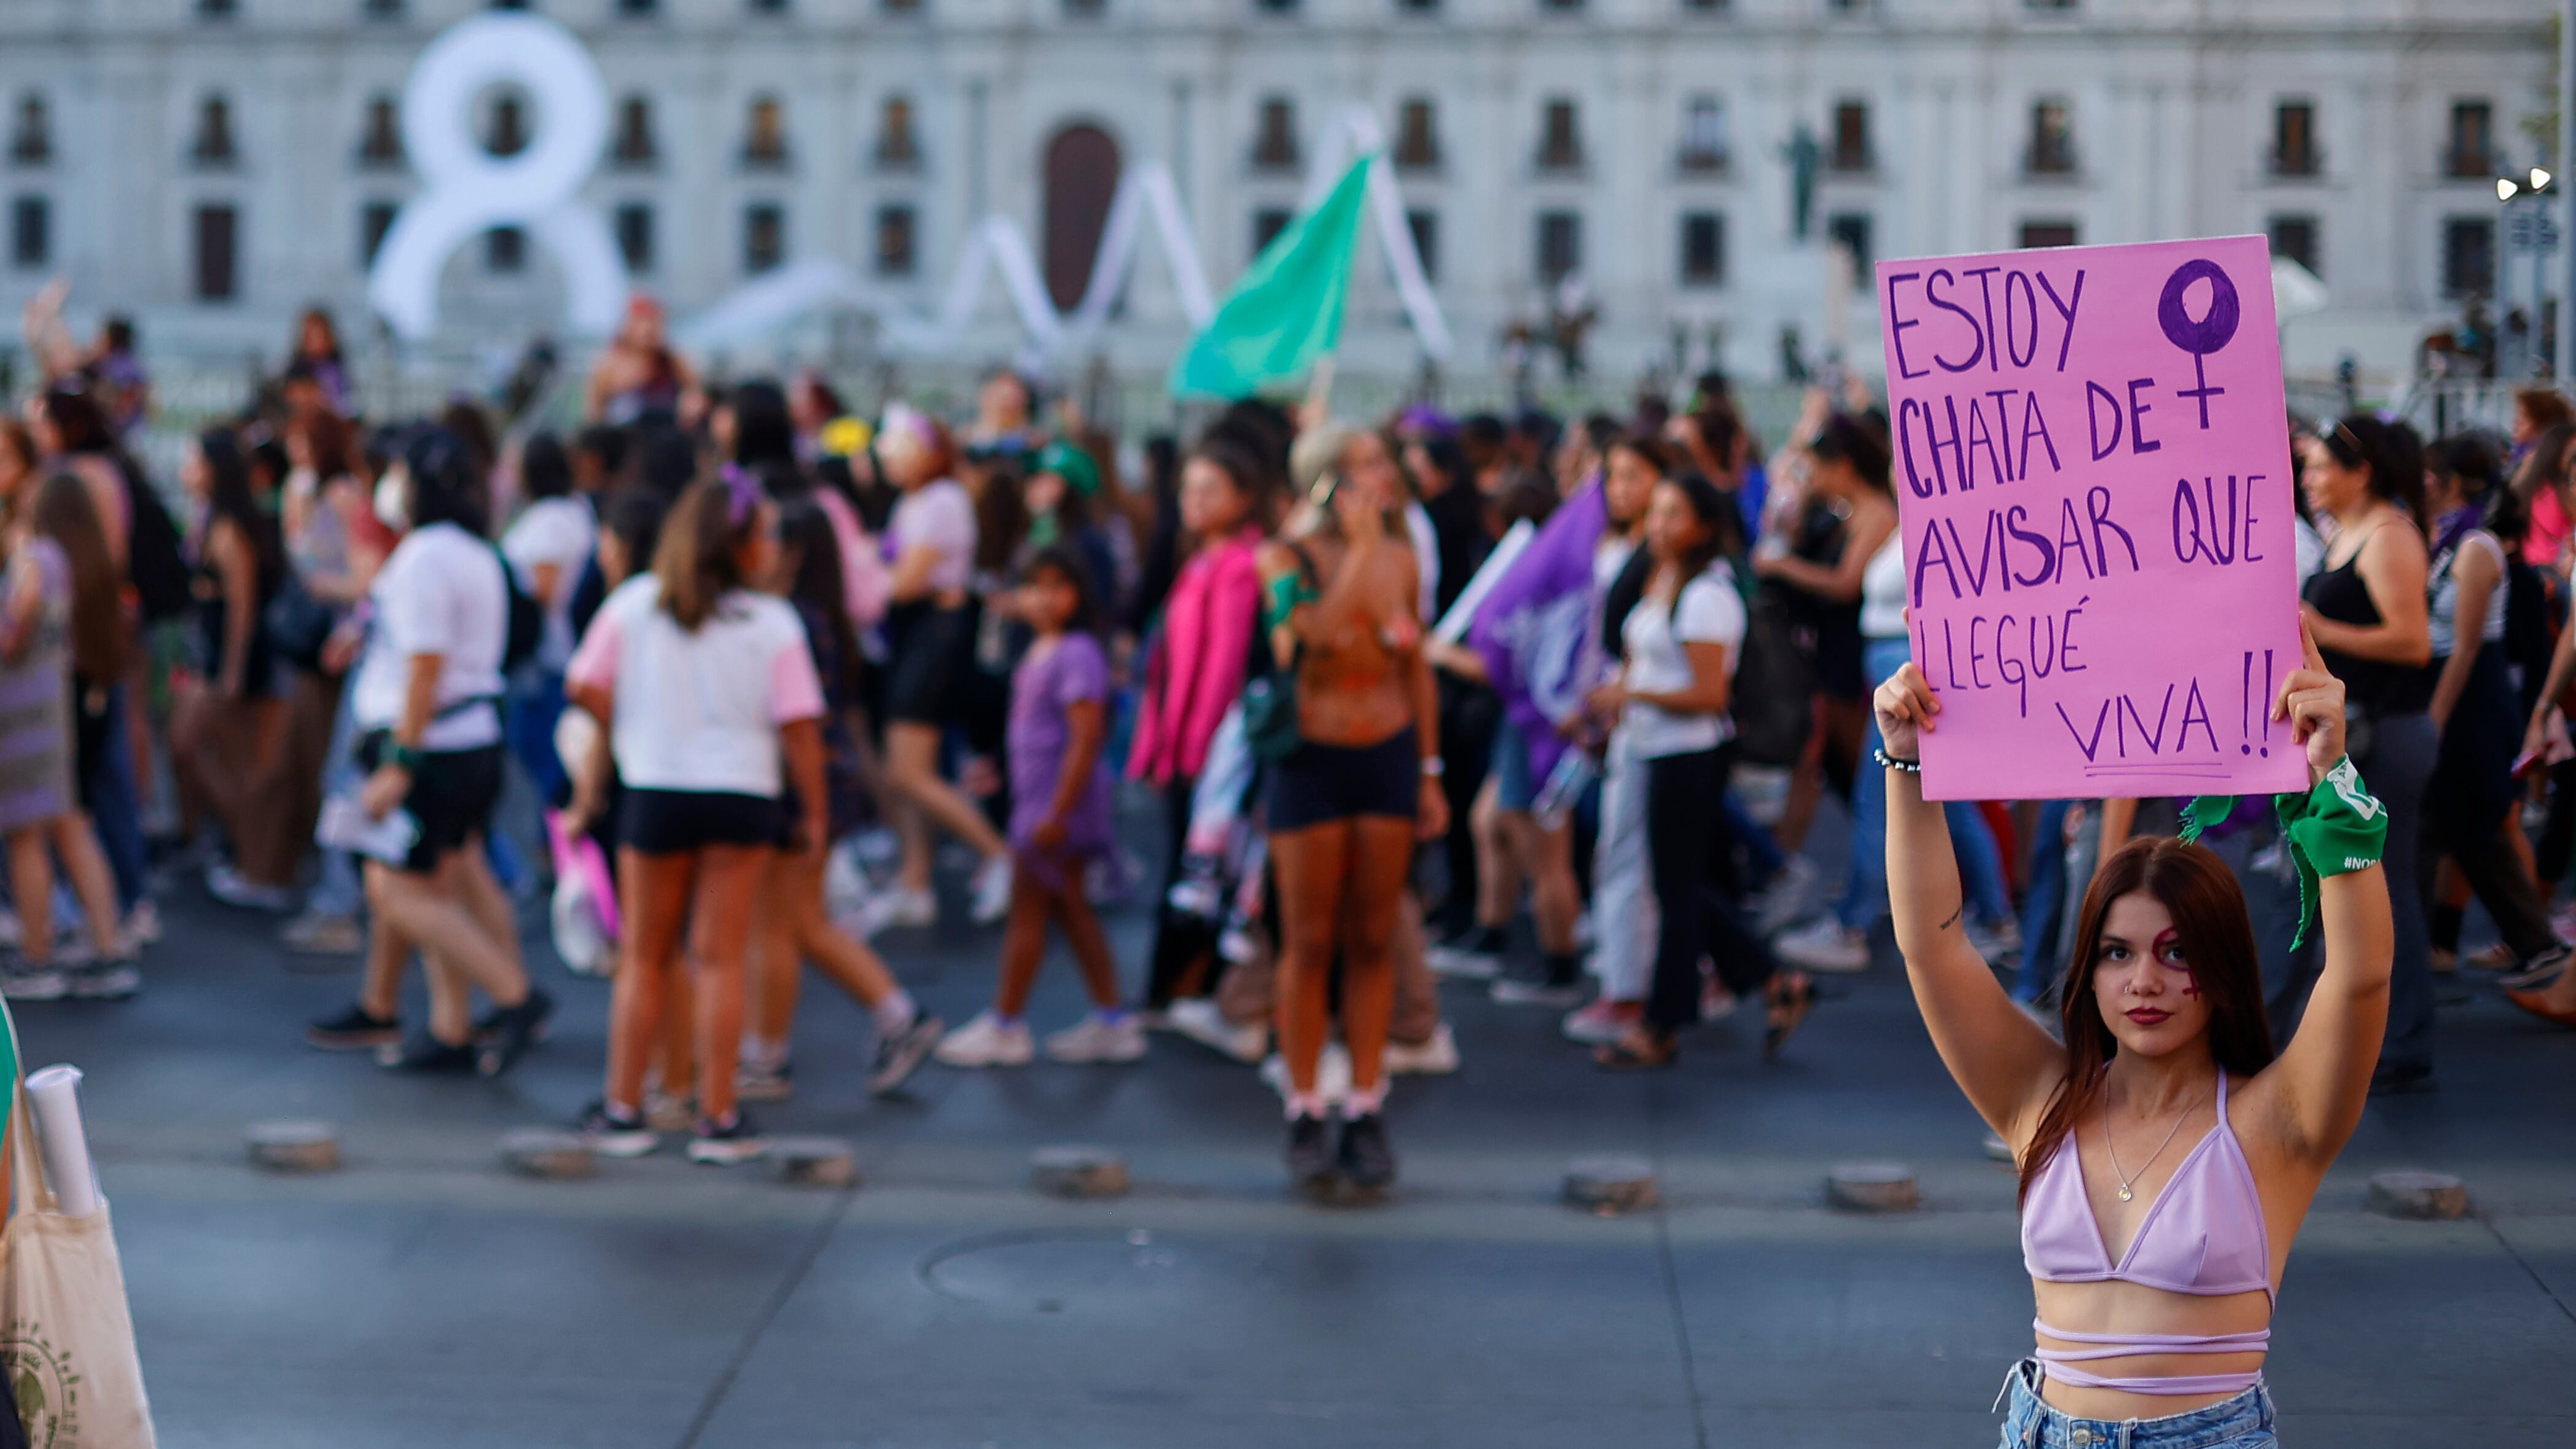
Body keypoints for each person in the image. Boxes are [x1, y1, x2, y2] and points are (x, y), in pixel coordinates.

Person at [1877, 623, 2392, 1445]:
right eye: (2116, 952)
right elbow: (1931, 947)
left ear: (2222, 965)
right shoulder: (2039, 1101)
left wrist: (2331, 771)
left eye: (2176, 950)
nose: (2143, 980)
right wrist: (1905, 763)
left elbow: (2359, 975)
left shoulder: (2276, 1123)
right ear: (2087, 969)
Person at [566, 473, 824, 1162]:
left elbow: (583, 684)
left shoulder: (635, 605)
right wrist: (818, 816)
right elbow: (800, 730)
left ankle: (625, 1109)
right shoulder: (773, 622)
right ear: (740, 546)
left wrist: (632, 727)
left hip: (655, 788)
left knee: (645, 958)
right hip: (744, 793)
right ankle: (718, 1116)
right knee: (720, 961)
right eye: (765, 534)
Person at [312, 428, 551, 1076]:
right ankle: (451, 1026)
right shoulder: (476, 552)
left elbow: (425, 667)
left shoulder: (421, 557)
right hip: (466, 741)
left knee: (401, 894)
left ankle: (514, 996)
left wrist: (399, 764)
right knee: (435, 884)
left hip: (431, 748)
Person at [1260, 424, 1447, 1194]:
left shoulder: (1404, 559)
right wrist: (1362, 552)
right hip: (1311, 761)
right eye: (1366, 465)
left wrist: (1430, 770)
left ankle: (1365, 1100)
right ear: (1326, 481)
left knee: (1374, 937)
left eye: (1384, 463)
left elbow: (1415, 669)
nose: (1385, 476)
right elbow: (1310, 643)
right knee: (1308, 941)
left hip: (1388, 758)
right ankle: (1306, 1101)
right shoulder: (1286, 559)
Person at [1771, 416, 2013, 974]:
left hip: (1908, 670)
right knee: (1944, 804)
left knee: (1876, 798)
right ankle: (1995, 916)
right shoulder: (1908, 523)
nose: (1898, 469)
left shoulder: (1940, 525)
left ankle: (1853, 924)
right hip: (1890, 668)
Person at [1588, 472, 1814, 1069]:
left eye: (1673, 515)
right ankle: (1774, 980)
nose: (1658, 525)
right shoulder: (1664, 578)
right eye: (1655, 513)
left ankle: (1661, 1026)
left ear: (1705, 528)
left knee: (1676, 890)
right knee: (1681, 884)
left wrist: (1630, 694)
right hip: (1654, 748)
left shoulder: (1707, 595)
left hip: (1687, 753)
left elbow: (1711, 694)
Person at [738, 499, 943, 1100]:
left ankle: (771, 1056)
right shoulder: (816, 616)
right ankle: (895, 1017)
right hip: (816, 783)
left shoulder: (785, 620)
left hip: (797, 786)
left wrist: (807, 803)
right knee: (798, 923)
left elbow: (794, 723)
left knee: (781, 925)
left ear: (792, 552)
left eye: (768, 535)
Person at [937, 548, 1141, 1066]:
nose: (1045, 598)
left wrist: (1059, 809)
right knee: (1070, 909)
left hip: (1056, 810)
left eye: (1058, 585)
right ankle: (1111, 1018)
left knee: (1032, 906)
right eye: (1035, 586)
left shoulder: (1076, 653)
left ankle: (1007, 1022)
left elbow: (1084, 737)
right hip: (1041, 803)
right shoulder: (1041, 649)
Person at [2298, 416, 2436, 1094]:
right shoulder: (2350, 532)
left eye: (2322, 467)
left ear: (2363, 472)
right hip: (2364, 732)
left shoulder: (2387, 536)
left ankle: (2401, 1038)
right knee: (2363, 880)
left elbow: (2412, 642)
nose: (2311, 479)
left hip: (2389, 733)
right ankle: (2381, 1033)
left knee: (2387, 883)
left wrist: (2325, 629)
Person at [1133, 439, 1270, 1014]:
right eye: (1188, 488)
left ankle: (1189, 989)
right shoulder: (1203, 559)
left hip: (1210, 752)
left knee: (1200, 871)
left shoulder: (1241, 566)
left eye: (1210, 490)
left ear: (1245, 498)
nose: (1194, 500)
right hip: (1183, 743)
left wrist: (1192, 753)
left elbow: (1222, 669)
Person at [2418, 437, 2561, 980]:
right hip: (2453, 699)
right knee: (2463, 829)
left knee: (2473, 827)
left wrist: (2433, 717)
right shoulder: (2441, 539)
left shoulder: (2475, 545)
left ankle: (2536, 946)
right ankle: (2530, 947)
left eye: (2430, 473)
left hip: (2470, 704)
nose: (2421, 481)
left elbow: (2467, 645)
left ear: (2452, 481)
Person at [869, 404, 1012, 931]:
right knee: (899, 771)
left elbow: (905, 582)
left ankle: (998, 854)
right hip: (916, 636)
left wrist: (864, 573)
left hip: (934, 638)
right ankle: (915, 878)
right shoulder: (916, 501)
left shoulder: (941, 500)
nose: (887, 457)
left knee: (911, 769)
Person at [0, 477, 135, 1001]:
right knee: (70, 826)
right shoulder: (77, 560)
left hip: (27, 722)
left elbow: (15, 632)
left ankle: (39, 956)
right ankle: (107, 944)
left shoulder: (37, 557)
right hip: (54, 716)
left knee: (27, 836)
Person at [171, 428, 294, 907]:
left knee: (224, 759)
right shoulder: (210, 519)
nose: (186, 472)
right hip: (212, 658)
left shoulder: (228, 528)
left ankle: (254, 860)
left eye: (194, 462)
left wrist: (234, 673)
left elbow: (243, 607)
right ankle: (244, 852)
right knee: (208, 755)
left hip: (231, 662)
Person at [499, 433, 596, 803]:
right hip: (560, 652)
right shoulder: (575, 510)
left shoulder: (549, 521)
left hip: (549, 658)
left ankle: (554, 837)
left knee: (545, 760)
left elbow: (544, 589)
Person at [584, 295, 698, 427]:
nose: (647, 329)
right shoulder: (609, 366)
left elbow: (694, 394)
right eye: (641, 321)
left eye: (653, 321)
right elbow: (595, 412)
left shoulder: (673, 361)